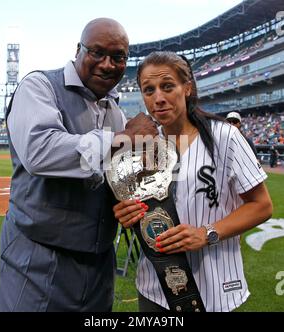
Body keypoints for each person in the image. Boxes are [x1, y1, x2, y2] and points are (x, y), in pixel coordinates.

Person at [0, 17, 158, 312]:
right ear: (78, 50)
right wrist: (122, 140)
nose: (108, 64)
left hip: (98, 262)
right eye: (97, 52)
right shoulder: (39, 86)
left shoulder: (115, 112)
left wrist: (143, 169)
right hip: (38, 257)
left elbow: (121, 178)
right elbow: (39, 151)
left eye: (118, 57)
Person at [113, 51, 273, 312]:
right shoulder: (142, 147)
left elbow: (262, 206)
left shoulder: (224, 137)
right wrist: (127, 213)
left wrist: (206, 233)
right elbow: (143, 212)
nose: (158, 98)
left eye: (167, 87)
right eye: (149, 90)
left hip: (215, 288)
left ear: (186, 88)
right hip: (155, 289)